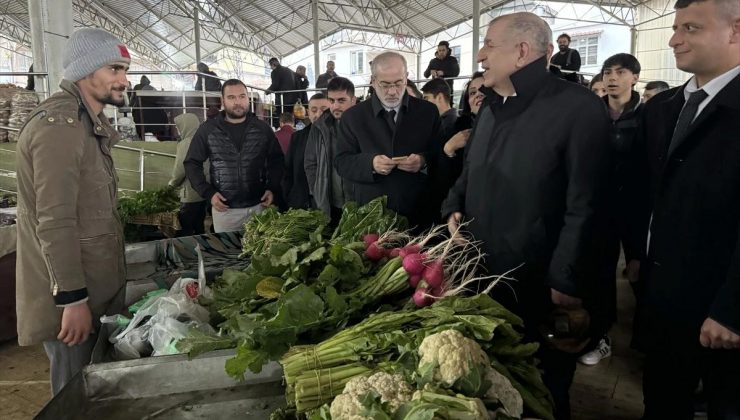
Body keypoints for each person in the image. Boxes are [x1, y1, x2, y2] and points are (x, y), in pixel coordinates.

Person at [442, 13, 610, 419]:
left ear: (522, 51)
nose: (480, 55)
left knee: (544, 391)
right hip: (483, 273)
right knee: (496, 384)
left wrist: (565, 279)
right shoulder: (492, 105)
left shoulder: (577, 108)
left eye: (489, 44)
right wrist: (453, 205)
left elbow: (586, 204)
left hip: (539, 282)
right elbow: (471, 171)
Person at [638, 0, 740, 417]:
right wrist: (634, 256)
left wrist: (732, 309)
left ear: (735, 31)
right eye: (676, 27)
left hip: (722, 307)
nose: (674, 39)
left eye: (691, 28)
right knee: (662, 400)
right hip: (663, 293)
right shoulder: (663, 109)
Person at [15, 28, 130, 395]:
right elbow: (55, 220)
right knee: (74, 396)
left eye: (124, 70)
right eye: (114, 69)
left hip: (91, 290)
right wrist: (73, 299)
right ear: (86, 70)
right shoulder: (60, 127)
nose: (123, 80)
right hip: (71, 303)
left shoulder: (84, 122)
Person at [580, 53, 646, 367]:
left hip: (636, 209)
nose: (612, 77)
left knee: (639, 273)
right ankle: (599, 336)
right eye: (607, 71)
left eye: (620, 72)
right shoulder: (592, 114)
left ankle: (650, 341)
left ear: (634, 77)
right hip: (599, 207)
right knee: (599, 273)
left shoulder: (648, 116)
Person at [335, 52, 441, 229]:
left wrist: (423, 161)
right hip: (372, 216)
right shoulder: (353, 117)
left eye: (398, 83)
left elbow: (440, 153)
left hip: (420, 213)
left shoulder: (428, 112)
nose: (392, 91)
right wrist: (371, 164)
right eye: (385, 85)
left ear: (406, 78)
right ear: (373, 81)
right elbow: (341, 161)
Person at [184, 79, 284, 233]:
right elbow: (192, 162)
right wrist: (208, 193)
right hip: (225, 211)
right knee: (228, 254)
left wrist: (272, 188)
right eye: (231, 97)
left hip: (259, 207)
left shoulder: (263, 129)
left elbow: (276, 160)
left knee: (260, 254)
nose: (238, 102)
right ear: (222, 100)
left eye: (242, 96)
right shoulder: (208, 130)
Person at [304, 77, 357, 221]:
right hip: (328, 205)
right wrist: (317, 191)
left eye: (341, 100)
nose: (335, 106)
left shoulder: (364, 125)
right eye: (332, 101)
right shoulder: (319, 126)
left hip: (358, 203)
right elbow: (310, 162)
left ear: (353, 100)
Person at [283, 93, 330, 209]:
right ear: (308, 113)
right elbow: (288, 170)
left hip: (331, 203)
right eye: (314, 110)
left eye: (324, 110)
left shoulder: (339, 137)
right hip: (302, 203)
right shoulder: (297, 137)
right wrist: (289, 197)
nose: (318, 114)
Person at [169, 113, 209, 236]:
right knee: (199, 226)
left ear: (185, 126)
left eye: (178, 127)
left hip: (190, 193)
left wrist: (171, 185)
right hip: (205, 191)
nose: (177, 130)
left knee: (184, 228)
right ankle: (201, 251)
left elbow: (180, 169)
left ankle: (185, 253)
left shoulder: (185, 143)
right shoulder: (205, 139)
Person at [266, 58, 298, 127]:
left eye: (270, 65)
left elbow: (275, 85)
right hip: (292, 99)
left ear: (272, 64)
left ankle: (281, 132)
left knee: (281, 117)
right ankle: (291, 131)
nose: (271, 68)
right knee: (290, 117)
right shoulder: (288, 70)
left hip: (281, 99)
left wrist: (267, 91)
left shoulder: (275, 72)